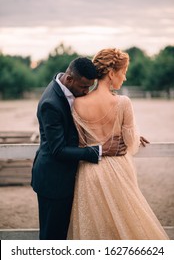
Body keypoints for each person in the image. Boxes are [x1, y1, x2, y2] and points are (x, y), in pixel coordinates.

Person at [67, 49, 169, 240]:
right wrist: (135, 136)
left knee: (97, 231)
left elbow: (80, 142)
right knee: (127, 228)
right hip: (118, 171)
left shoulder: (77, 103)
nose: (125, 77)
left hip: (89, 172)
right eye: (123, 71)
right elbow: (130, 143)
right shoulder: (123, 102)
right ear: (112, 73)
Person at [31, 57, 127, 240]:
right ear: (69, 79)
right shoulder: (50, 104)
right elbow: (58, 150)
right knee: (52, 238)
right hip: (54, 182)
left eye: (90, 87)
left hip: (67, 179)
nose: (86, 92)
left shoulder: (70, 91)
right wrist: (100, 150)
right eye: (84, 87)